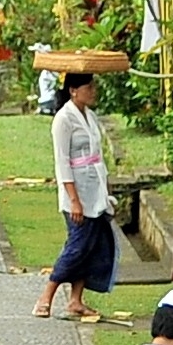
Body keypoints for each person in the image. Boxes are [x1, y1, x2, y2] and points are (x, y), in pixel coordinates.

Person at [36, 70, 117, 321]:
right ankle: (46, 295)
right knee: (77, 245)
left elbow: (98, 155)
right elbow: (62, 162)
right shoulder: (63, 119)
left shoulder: (90, 117)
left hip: (95, 188)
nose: (93, 92)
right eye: (88, 87)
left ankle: (76, 300)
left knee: (91, 246)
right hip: (77, 191)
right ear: (73, 90)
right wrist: (74, 199)